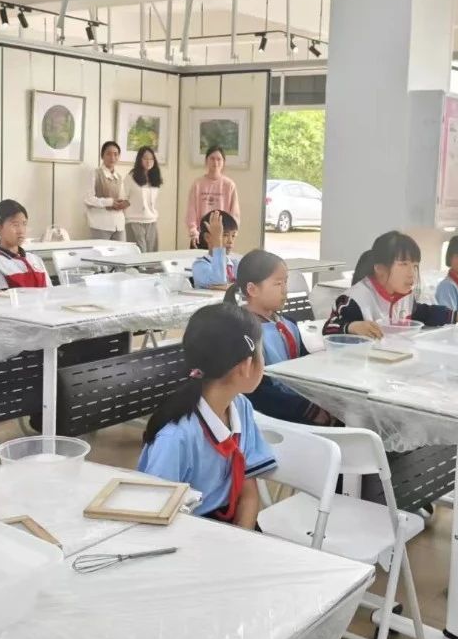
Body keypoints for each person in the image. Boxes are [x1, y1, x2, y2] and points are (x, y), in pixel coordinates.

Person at [137, 303, 277, 529]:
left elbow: (248, 491)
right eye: (262, 354)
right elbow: (154, 518)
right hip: (184, 531)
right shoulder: (176, 437)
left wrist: (241, 537)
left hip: (231, 526)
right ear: (246, 366)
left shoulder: (240, 407)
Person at [227, 249, 336, 426]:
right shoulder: (243, 332)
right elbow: (256, 392)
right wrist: (306, 408)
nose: (285, 290)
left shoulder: (288, 324)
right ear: (252, 289)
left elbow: (303, 365)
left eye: (286, 282)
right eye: (278, 284)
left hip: (300, 403)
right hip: (274, 416)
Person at [324, 231, 455, 337]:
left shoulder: (403, 296)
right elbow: (328, 329)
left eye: (415, 266)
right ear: (380, 268)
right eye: (403, 264)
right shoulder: (355, 300)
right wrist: (351, 327)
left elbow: (423, 313)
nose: (412, 274)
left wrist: (455, 316)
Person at [0, 199, 50, 289]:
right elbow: (2, 297)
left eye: (24, 224)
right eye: (15, 225)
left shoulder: (35, 259)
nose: (21, 231)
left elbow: (51, 293)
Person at [185, 145, 240, 247]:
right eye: (212, 159)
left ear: (223, 162)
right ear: (206, 161)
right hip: (200, 235)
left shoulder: (229, 185)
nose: (215, 162)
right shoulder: (198, 184)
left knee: (218, 258)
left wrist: (231, 235)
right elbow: (191, 210)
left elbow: (234, 214)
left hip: (222, 237)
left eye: (219, 159)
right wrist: (193, 231)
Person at [84, 140, 129, 241]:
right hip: (100, 224)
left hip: (119, 225)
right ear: (102, 156)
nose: (112, 157)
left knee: (121, 251)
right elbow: (88, 199)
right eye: (108, 154)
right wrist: (110, 202)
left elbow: (122, 197)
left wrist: (124, 203)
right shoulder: (95, 173)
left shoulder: (119, 177)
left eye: (116, 154)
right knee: (100, 251)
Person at [124, 146, 162, 252]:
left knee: (151, 254)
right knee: (139, 253)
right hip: (134, 220)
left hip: (151, 220)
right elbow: (123, 197)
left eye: (151, 159)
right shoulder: (131, 177)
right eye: (145, 158)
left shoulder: (154, 177)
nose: (148, 161)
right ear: (139, 159)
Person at [191, 210, 241, 289]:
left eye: (233, 236)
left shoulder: (235, 264)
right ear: (207, 237)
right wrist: (218, 241)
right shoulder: (200, 266)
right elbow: (218, 281)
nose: (230, 241)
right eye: (224, 235)